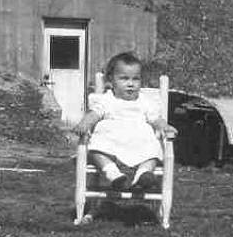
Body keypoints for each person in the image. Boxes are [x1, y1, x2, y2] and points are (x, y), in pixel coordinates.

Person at [74, 52, 177, 191]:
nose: (130, 84)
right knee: (96, 148)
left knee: (154, 150)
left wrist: (165, 126)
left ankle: (144, 174)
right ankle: (114, 174)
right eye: (124, 79)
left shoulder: (144, 101)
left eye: (136, 79)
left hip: (139, 139)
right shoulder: (107, 99)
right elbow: (94, 114)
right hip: (112, 138)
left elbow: (155, 119)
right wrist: (85, 123)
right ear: (111, 80)